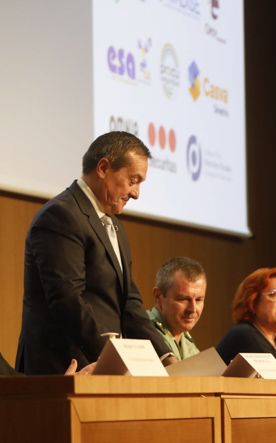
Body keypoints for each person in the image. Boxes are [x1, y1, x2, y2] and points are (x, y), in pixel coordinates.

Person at [16, 131, 173, 373]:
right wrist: (112, 360)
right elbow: (67, 299)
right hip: (63, 369)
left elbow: (129, 302)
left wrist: (165, 357)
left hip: (101, 370)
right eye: (133, 180)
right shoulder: (61, 215)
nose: (136, 193)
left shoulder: (115, 227)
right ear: (103, 168)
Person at [148, 256, 207, 361]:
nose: (192, 309)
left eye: (198, 300)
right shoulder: (142, 332)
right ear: (158, 296)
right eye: (184, 299)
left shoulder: (187, 341)